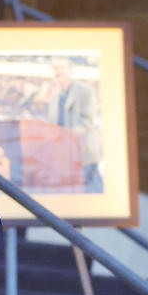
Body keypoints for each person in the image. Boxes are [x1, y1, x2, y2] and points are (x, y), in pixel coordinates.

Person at [45, 56, 102, 193]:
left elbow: (87, 122)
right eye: (56, 69)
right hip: (63, 156)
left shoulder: (85, 91)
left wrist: (67, 137)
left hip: (83, 153)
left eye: (62, 68)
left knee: (92, 192)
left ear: (70, 70)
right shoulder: (55, 96)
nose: (59, 72)